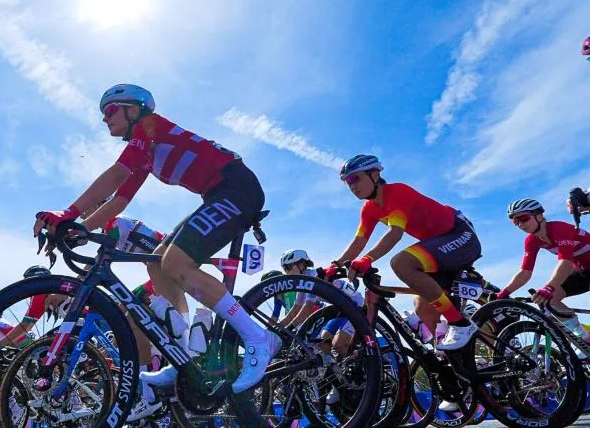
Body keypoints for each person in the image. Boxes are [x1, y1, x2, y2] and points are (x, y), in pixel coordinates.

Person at [33, 84, 275, 397]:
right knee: (159, 263)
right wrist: (77, 231)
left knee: (175, 261)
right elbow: (119, 201)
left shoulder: (150, 128)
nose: (105, 119)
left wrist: (67, 212)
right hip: (218, 194)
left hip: (237, 189)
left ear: (134, 109)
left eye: (110, 110)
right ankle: (187, 354)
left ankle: (258, 338)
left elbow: (117, 173)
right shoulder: (146, 151)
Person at [325, 154, 481, 351]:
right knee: (422, 306)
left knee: (401, 263)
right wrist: (336, 264)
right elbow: (359, 241)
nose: (351, 185)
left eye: (355, 178)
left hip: (460, 234)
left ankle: (460, 325)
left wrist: (367, 259)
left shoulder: (397, 192)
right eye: (347, 181)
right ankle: (456, 359)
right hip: (440, 245)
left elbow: (395, 233)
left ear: (374, 174)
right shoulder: (369, 209)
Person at [497, 199, 590, 339]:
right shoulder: (531, 241)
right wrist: (503, 293)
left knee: (549, 292)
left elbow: (565, 261)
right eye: (516, 221)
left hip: (580, 267)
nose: (520, 225)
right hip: (583, 270)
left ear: (539, 216)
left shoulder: (559, 229)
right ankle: (584, 338)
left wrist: (549, 287)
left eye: (523, 218)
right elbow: (525, 272)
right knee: (548, 300)